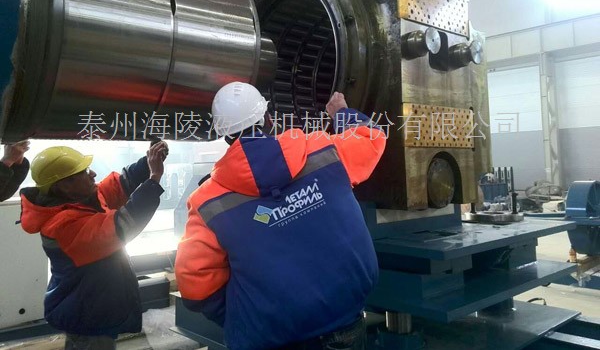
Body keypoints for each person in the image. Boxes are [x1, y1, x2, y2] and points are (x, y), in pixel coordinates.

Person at [175, 82, 386, 350]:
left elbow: (194, 282)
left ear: (224, 135)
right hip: (345, 325)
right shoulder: (322, 149)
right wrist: (341, 113)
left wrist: (248, 314)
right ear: (268, 118)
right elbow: (372, 138)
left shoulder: (206, 202)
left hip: (271, 340)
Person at [20, 141, 169, 350]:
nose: (93, 174)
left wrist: (148, 161)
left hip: (91, 305)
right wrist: (154, 179)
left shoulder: (79, 200)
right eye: (84, 172)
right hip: (88, 317)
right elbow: (124, 225)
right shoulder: (63, 225)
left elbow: (119, 186)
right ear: (64, 185)